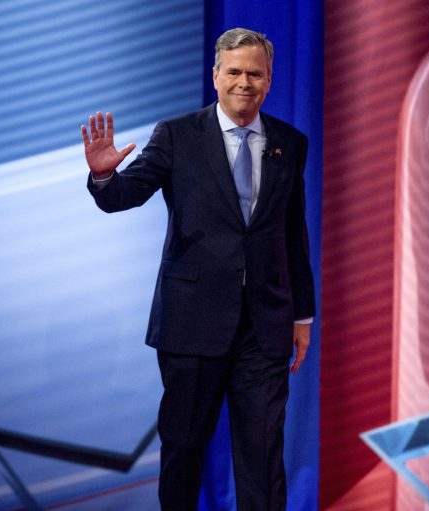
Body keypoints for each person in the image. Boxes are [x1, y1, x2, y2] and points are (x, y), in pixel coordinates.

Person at [81, 27, 315, 511]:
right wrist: (105, 174)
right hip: (192, 324)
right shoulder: (177, 135)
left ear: (269, 80)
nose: (244, 82)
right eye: (234, 72)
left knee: (263, 454)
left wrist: (302, 315)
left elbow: (294, 231)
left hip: (264, 326)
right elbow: (126, 196)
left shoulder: (289, 143)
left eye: (255, 73)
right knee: (184, 449)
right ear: (215, 76)